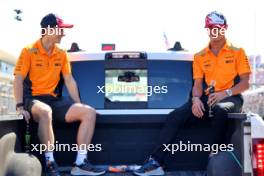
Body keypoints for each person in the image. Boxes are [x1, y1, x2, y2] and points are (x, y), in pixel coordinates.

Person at [133, 11, 251, 176]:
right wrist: (196, 99)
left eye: (218, 27)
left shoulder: (238, 52)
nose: (214, 31)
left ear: (225, 28)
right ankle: (156, 162)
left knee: (219, 110)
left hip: (231, 97)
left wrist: (226, 93)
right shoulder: (200, 56)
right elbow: (197, 84)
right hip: (206, 97)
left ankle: (213, 157)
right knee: (175, 115)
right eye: (210, 28)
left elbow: (245, 83)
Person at [13, 13, 106, 176]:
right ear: (48, 30)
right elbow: (18, 80)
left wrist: (79, 104)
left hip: (54, 100)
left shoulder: (62, 53)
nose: (63, 33)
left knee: (88, 112)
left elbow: (69, 80)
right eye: (60, 29)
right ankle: (50, 162)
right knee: (45, 111)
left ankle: (80, 164)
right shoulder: (28, 51)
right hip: (33, 99)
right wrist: (20, 106)